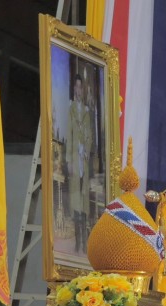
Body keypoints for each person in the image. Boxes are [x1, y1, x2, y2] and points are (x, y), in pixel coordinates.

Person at [65, 73, 93, 253]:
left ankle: (84, 242)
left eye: (80, 87)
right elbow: (69, 134)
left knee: (84, 200)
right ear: (73, 89)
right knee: (76, 199)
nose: (78, 90)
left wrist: (87, 150)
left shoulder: (86, 112)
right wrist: (69, 159)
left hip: (84, 160)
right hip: (75, 159)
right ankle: (77, 242)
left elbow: (89, 135)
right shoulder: (71, 110)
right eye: (76, 86)